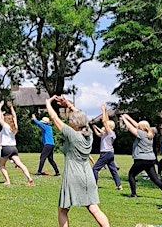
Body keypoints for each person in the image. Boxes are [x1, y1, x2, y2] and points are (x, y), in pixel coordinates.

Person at [46, 95, 109, 227]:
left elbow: (54, 118)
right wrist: (68, 105)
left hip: (73, 175)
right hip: (88, 175)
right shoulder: (89, 134)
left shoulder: (72, 134)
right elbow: (83, 119)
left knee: (63, 210)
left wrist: (48, 103)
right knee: (95, 209)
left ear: (74, 123)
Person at [120, 114, 162, 198]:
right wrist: (128, 117)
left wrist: (124, 119)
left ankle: (133, 194)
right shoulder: (150, 134)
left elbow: (130, 128)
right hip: (150, 159)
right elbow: (137, 125)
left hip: (141, 159)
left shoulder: (141, 134)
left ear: (141, 127)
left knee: (131, 175)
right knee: (155, 179)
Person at [0, 100, 34, 186]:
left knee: (2, 165)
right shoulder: (15, 127)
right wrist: (11, 107)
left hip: (6, 148)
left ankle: (7, 181)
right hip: (14, 148)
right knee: (20, 164)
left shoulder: (5, 127)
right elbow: (15, 116)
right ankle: (29, 178)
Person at [91, 104, 122, 190]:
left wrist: (103, 111)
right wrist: (95, 128)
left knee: (95, 169)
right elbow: (98, 134)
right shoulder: (106, 134)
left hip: (105, 153)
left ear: (109, 127)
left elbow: (105, 122)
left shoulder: (110, 133)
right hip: (110, 154)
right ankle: (119, 185)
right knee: (113, 170)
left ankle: (94, 185)